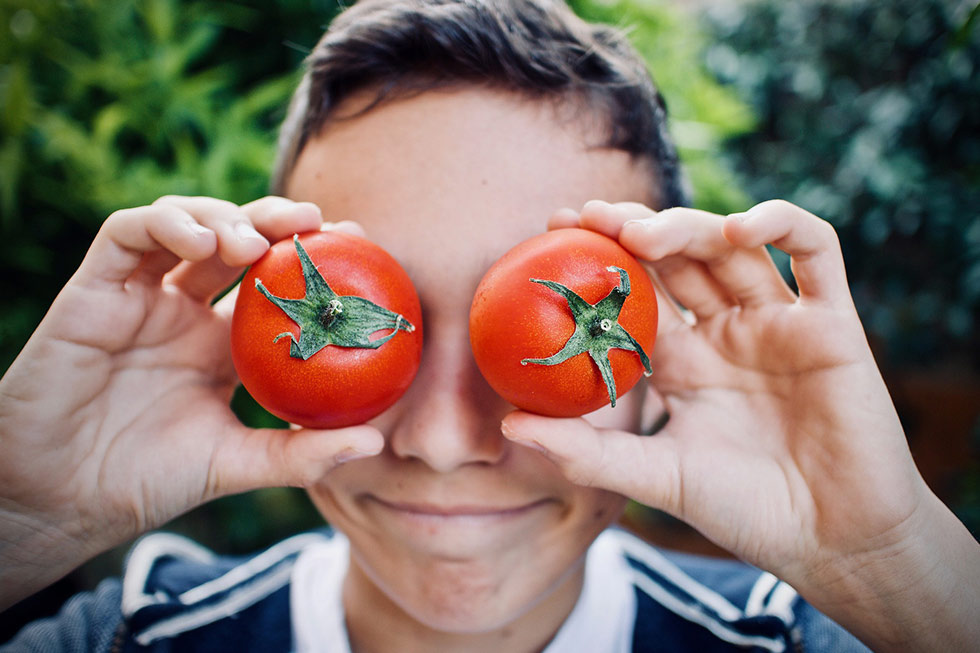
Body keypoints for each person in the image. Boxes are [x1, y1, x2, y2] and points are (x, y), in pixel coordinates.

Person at [1, 0, 977, 651]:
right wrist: (18, 522)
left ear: (655, 363)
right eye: (375, 328)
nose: (437, 442)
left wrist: (889, 564)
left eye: (535, 352)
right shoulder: (131, 633)